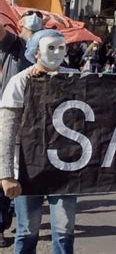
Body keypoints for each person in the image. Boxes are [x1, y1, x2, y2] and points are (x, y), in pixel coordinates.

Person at [0, 29, 78, 253]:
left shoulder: (75, 79)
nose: (56, 53)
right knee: (27, 230)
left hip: (66, 170)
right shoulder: (19, 83)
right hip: (28, 169)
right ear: (35, 53)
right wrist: (6, 175)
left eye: (61, 48)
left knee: (65, 232)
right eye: (50, 48)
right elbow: (6, 130)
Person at [0, 10, 43, 248]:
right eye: (30, 30)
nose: (33, 35)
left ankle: (21, 222)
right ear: (19, 27)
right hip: (9, 120)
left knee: (25, 178)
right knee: (4, 175)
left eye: (38, 31)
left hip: (36, 128)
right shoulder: (13, 45)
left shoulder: (47, 51)